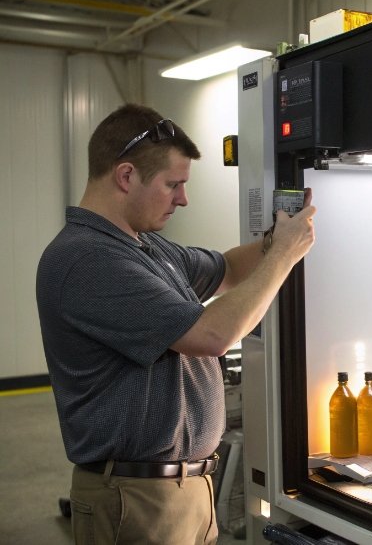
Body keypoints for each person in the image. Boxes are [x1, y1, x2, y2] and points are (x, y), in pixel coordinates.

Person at [36, 103, 315, 544]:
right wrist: (283, 256)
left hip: (182, 491)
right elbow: (212, 335)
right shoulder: (85, 258)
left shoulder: (145, 248)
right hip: (136, 499)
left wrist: (280, 238)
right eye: (173, 184)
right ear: (126, 176)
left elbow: (225, 268)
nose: (183, 198)